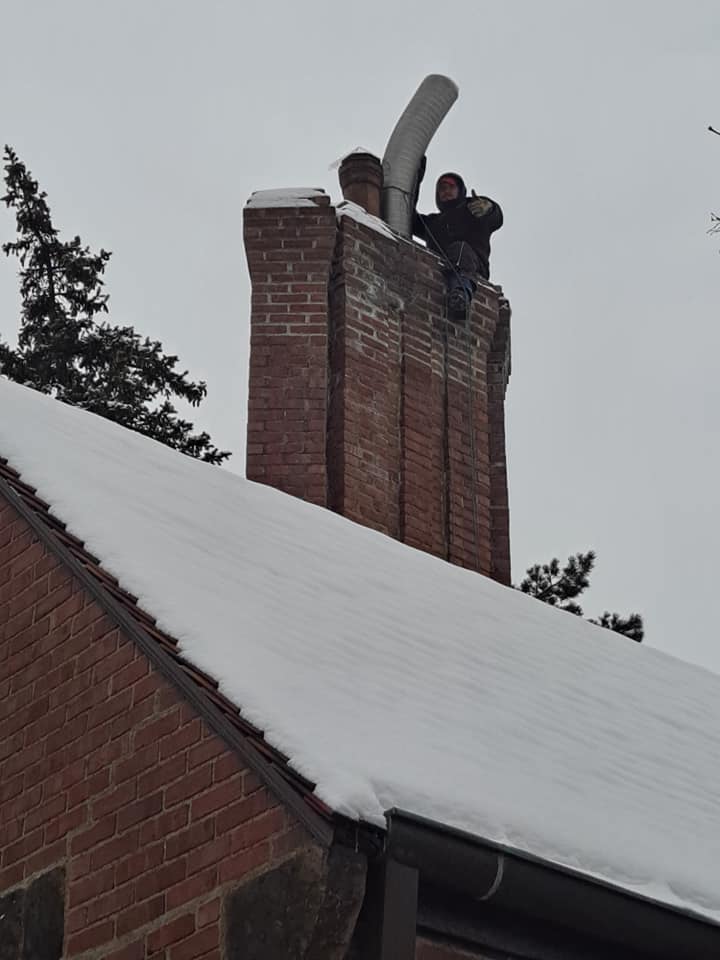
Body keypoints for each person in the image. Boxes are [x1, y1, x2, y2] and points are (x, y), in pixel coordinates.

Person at [412, 169, 503, 314]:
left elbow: (496, 218)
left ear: (460, 190)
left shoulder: (471, 208)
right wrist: (414, 178)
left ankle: (461, 294)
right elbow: (410, 217)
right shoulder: (433, 223)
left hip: (473, 267)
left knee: (460, 249)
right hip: (442, 268)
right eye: (442, 189)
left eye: (451, 187)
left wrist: (489, 209)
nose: (446, 191)